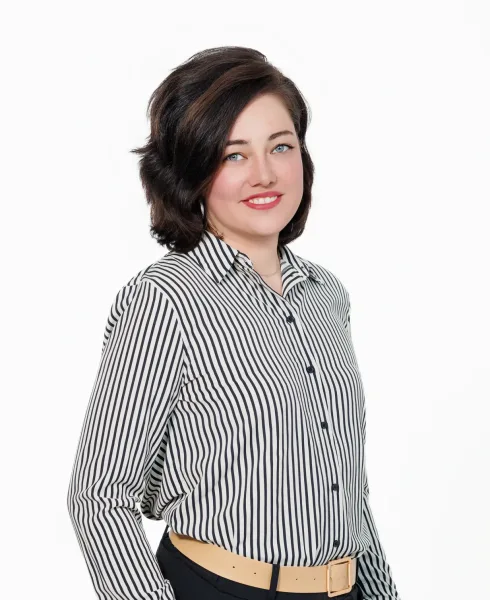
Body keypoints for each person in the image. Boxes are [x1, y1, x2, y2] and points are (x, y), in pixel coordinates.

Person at [66, 46, 401, 600]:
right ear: (192, 170)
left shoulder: (326, 296)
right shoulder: (165, 300)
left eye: (280, 147)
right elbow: (100, 496)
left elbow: (347, 489)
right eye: (234, 155)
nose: (264, 174)